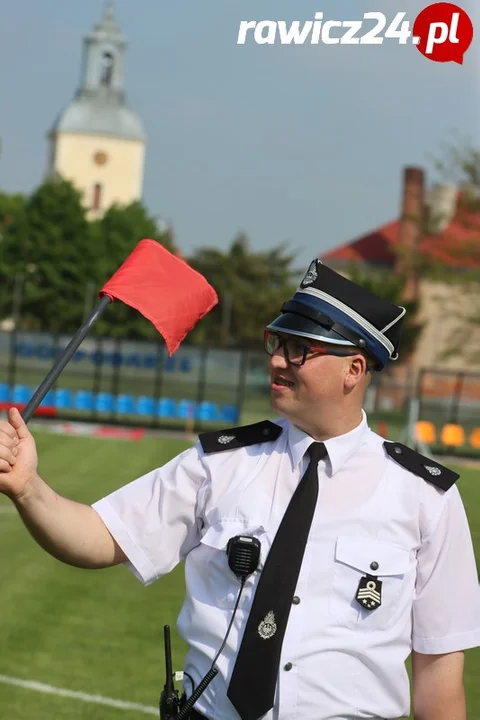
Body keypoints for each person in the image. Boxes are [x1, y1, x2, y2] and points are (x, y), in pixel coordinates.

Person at [0, 258, 479, 720]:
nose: (276, 360)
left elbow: (438, 678)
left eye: (299, 349)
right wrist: (28, 488)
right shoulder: (221, 463)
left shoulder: (425, 498)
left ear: (354, 369)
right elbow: (100, 537)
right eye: (276, 342)